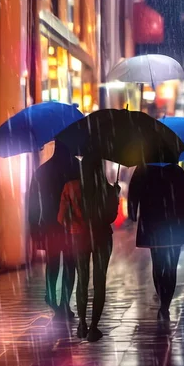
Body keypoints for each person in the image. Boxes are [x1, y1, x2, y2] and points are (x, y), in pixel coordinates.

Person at [58, 154, 119, 342]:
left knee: (82, 280)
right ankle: (94, 328)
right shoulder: (106, 188)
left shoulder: (70, 187)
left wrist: (76, 225)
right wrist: (114, 195)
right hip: (102, 237)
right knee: (99, 282)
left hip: (80, 238)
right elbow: (111, 217)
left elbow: (61, 218)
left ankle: (82, 323)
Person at [128, 163, 184, 320]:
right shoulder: (177, 171)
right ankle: (165, 305)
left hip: (153, 225)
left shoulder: (143, 170)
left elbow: (133, 194)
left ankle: (163, 301)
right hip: (175, 226)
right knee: (171, 268)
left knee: (158, 265)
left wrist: (132, 213)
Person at [27, 142, 80, 316]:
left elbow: (33, 202)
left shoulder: (43, 170)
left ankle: (51, 295)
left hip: (50, 223)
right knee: (70, 263)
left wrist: (33, 225)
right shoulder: (77, 169)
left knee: (53, 262)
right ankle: (64, 302)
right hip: (72, 224)